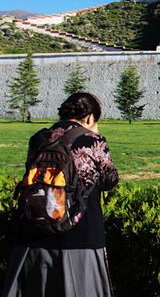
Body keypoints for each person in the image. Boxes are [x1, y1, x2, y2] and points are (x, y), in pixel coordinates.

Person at [2, 92, 119, 297]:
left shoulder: (38, 139)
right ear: (90, 117)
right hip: (80, 236)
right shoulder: (93, 140)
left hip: (34, 232)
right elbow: (110, 181)